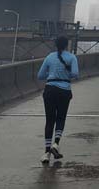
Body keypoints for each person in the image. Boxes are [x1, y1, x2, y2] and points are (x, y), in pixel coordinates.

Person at [37, 35, 79, 164]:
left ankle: (46, 153)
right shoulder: (72, 57)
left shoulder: (49, 57)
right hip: (64, 90)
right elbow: (75, 74)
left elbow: (40, 75)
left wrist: (51, 74)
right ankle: (56, 143)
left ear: (55, 45)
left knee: (50, 121)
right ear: (67, 45)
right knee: (60, 118)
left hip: (50, 90)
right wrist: (66, 73)